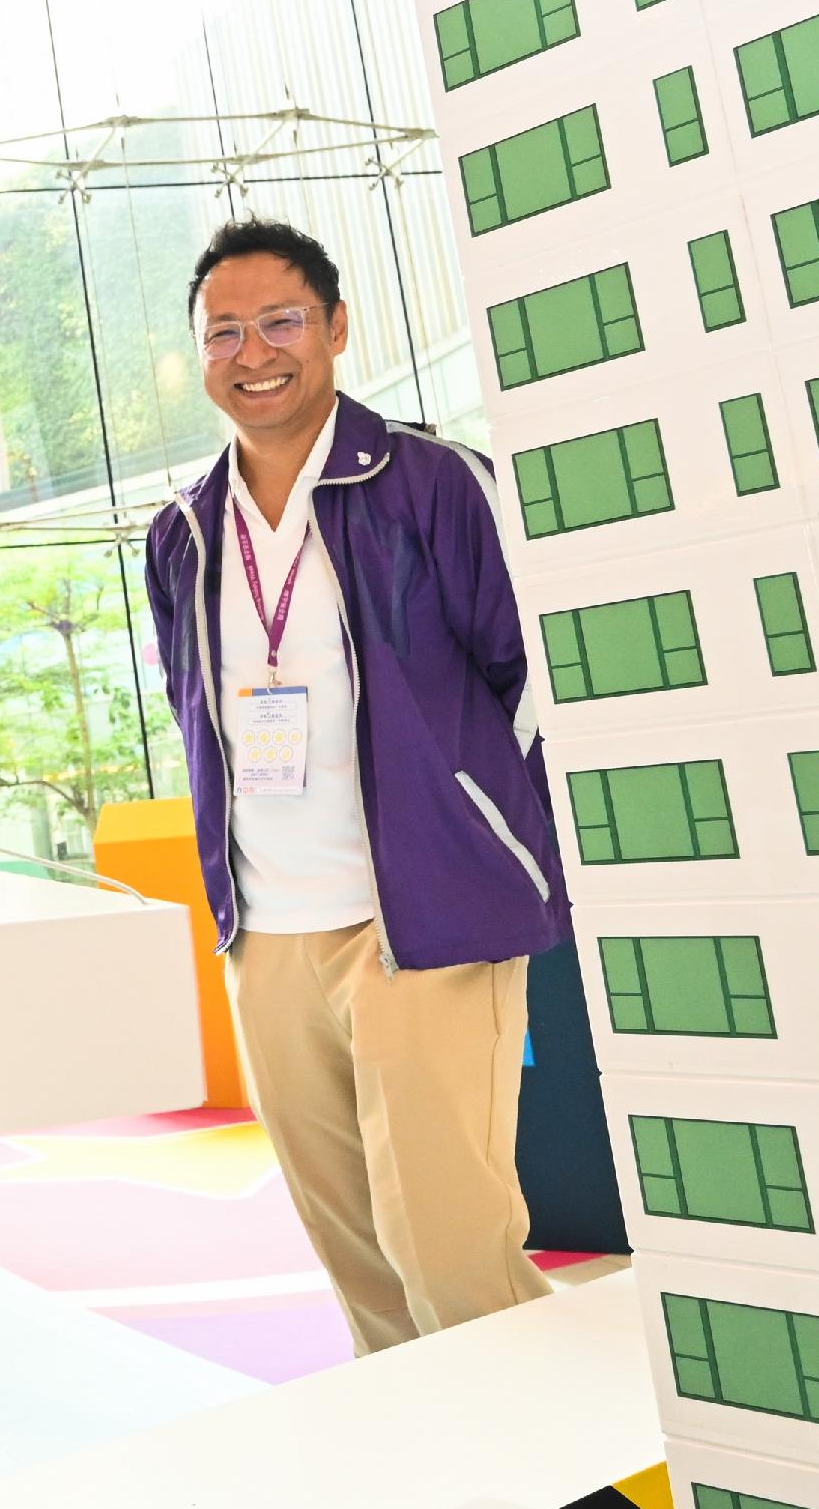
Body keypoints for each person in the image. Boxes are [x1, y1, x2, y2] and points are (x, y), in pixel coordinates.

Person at [145, 218, 566, 1356]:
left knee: (450, 1246)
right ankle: (432, 1487)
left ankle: (572, 1484)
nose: (253, 351)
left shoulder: (432, 483)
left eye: (280, 321)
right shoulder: (182, 530)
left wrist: (484, 841)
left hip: (419, 913)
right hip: (266, 927)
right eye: (222, 331)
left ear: (335, 327)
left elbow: (533, 680)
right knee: (359, 1258)